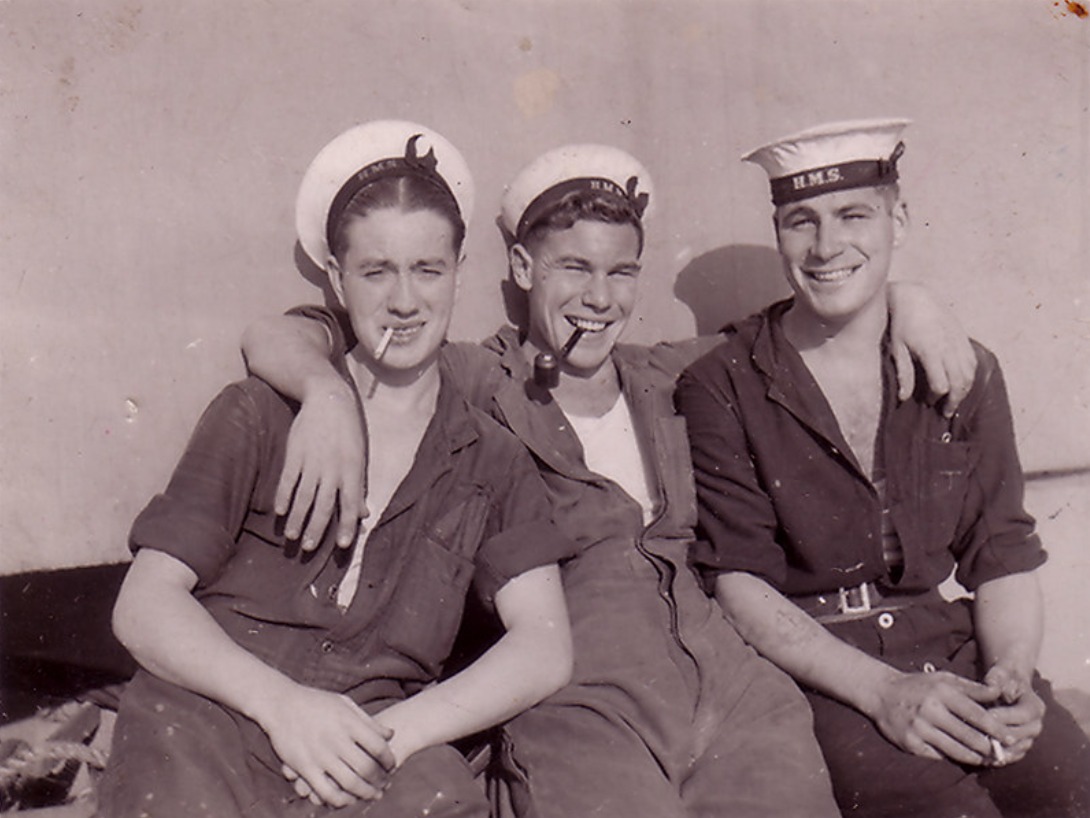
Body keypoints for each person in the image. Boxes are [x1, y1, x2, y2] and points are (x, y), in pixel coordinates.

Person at [242, 141, 978, 817]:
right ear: (526, 270)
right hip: (582, 698)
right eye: (575, 268)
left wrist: (910, 300)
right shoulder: (471, 376)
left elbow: (811, 317)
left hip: (736, 687)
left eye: (620, 271)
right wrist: (326, 392)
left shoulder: (672, 374)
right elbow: (286, 333)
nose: (600, 298)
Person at [97, 121, 575, 818]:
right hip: (216, 715)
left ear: (460, 270)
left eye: (428, 270)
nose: (405, 302)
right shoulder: (260, 414)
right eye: (376, 271)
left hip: (372, 742)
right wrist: (284, 707)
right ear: (335, 277)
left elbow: (545, 645)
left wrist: (399, 732)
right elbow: (142, 606)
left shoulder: (492, 459)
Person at [675, 118, 1090, 818]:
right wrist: (884, 694)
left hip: (953, 652)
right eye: (800, 221)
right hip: (824, 676)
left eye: (853, 215)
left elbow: (1003, 555)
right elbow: (739, 584)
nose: (827, 246)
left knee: (1069, 787)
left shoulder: (961, 367)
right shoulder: (725, 382)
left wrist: (1011, 673)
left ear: (899, 218)